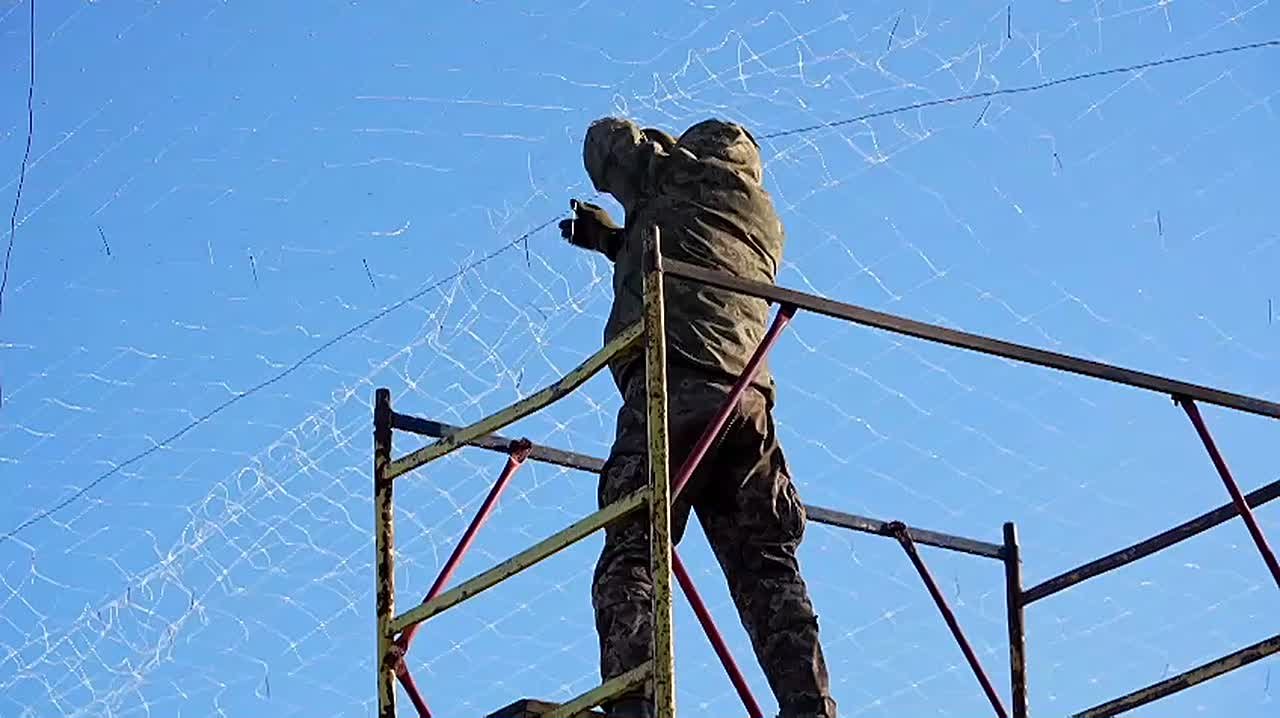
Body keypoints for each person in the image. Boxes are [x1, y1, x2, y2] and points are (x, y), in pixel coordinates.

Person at [559, 117, 836, 718]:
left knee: (632, 550)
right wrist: (617, 242)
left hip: (672, 389)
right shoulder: (763, 221)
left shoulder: (673, 174)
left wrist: (654, 151)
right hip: (745, 403)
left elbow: (605, 142)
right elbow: (689, 249)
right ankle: (811, 705)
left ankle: (635, 700)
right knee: (767, 569)